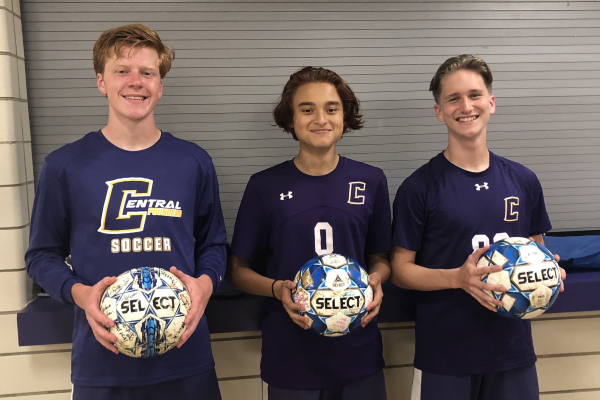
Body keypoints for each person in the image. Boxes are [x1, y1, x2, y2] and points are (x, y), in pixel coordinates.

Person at [25, 24, 227, 400]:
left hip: (187, 357)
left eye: (147, 73)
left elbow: (214, 245)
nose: (136, 82)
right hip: (103, 364)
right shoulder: (64, 166)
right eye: (122, 71)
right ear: (101, 81)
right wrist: (80, 294)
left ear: (160, 86)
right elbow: (41, 256)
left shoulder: (194, 161)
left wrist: (206, 283)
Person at [390, 54, 566, 400]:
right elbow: (400, 270)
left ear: (491, 102)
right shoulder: (419, 187)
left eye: (474, 95)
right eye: (453, 98)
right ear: (439, 111)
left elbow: (538, 250)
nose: (465, 106)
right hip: (445, 356)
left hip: (512, 352)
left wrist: (549, 275)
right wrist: (457, 278)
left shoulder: (523, 180)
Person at [228, 67, 391, 399]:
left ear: (344, 116)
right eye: (307, 109)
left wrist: (376, 282)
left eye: (331, 108)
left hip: (358, 351)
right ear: (291, 118)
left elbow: (381, 259)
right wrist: (277, 289)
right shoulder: (264, 186)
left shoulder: (371, 181)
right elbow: (238, 271)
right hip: (291, 354)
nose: (321, 118)